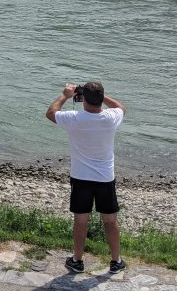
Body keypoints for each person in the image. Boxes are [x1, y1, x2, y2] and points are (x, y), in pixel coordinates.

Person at [46, 81, 127, 275]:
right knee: (110, 220)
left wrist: (65, 95)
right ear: (100, 100)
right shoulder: (110, 118)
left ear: (83, 100)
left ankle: (77, 260)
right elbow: (121, 107)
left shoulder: (75, 118)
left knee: (81, 220)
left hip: (81, 176)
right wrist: (101, 95)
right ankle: (116, 260)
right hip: (105, 177)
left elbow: (51, 113)